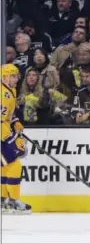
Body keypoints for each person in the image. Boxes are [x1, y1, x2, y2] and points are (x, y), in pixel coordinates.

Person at [1, 64, 31, 214]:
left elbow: (7, 116)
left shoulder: (9, 89)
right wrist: (11, 138)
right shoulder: (2, 94)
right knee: (14, 165)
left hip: (3, 132)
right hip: (1, 135)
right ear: (4, 77)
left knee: (5, 166)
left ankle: (2, 201)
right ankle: (13, 201)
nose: (16, 79)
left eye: (16, 76)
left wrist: (15, 122)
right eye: (12, 76)